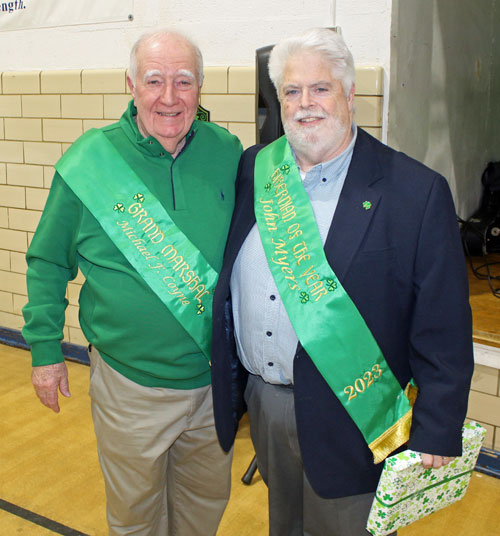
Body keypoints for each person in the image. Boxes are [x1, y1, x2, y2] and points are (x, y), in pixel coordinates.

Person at [210, 27, 474, 535]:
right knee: (283, 526)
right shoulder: (255, 169)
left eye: (321, 88)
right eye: (291, 91)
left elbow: (442, 324)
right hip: (266, 406)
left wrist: (439, 428)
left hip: (354, 417)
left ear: (351, 95)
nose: (304, 104)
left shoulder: (415, 192)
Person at [22, 29, 242, 536]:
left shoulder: (226, 150)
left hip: (213, 386)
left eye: (184, 81)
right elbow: (48, 261)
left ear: (201, 88)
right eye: (154, 80)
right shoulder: (91, 161)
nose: (169, 97)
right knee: (135, 519)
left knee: (203, 512)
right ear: (131, 85)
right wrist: (44, 351)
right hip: (130, 386)